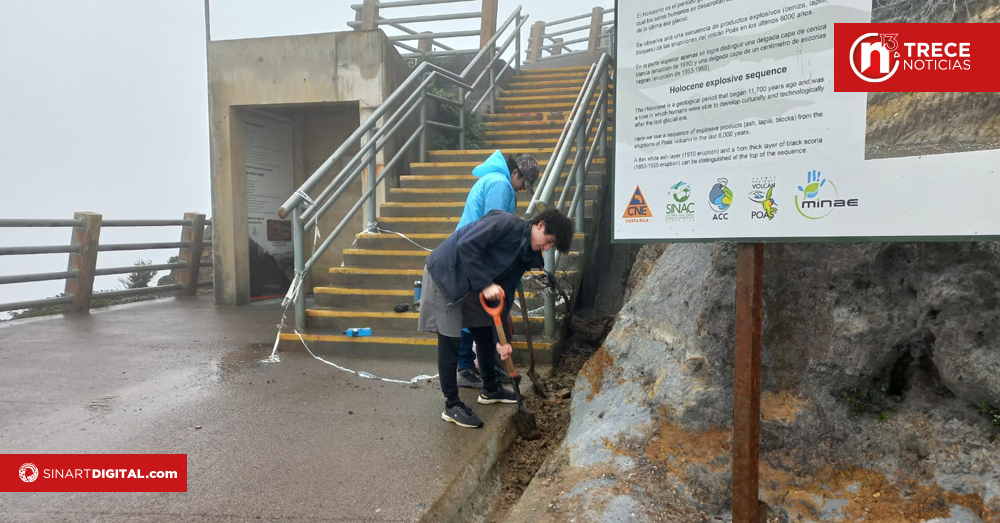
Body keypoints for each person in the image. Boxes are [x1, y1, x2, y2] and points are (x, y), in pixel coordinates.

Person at [418, 208, 574, 428]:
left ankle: (490, 389)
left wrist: (503, 341)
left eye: (552, 246)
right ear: (540, 225)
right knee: (450, 339)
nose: (547, 248)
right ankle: (451, 405)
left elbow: (506, 291)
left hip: (472, 281)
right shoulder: (505, 224)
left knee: (484, 331)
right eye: (549, 241)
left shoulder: (526, 254)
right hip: (447, 274)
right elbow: (466, 245)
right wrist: (486, 284)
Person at [453, 151, 540, 390]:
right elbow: (495, 227)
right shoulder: (500, 184)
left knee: (480, 314)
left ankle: (486, 366)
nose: (522, 189)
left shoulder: (499, 181)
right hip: (473, 254)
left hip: (479, 253)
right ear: (515, 172)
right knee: (472, 312)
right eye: (523, 182)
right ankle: (466, 367)